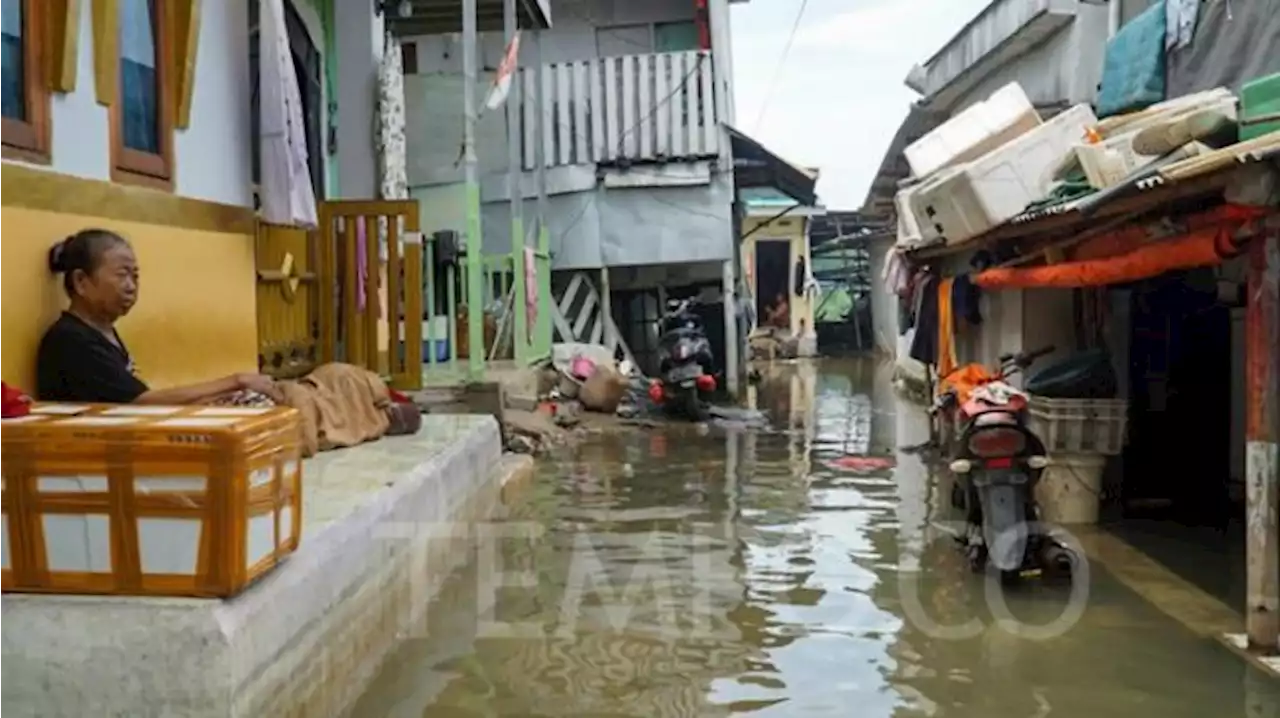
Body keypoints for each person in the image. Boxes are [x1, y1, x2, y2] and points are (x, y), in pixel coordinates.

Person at [37, 229, 283, 405]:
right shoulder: (71, 341)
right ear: (81, 281)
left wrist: (223, 394)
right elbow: (142, 401)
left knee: (262, 400)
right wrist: (237, 381)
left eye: (135, 276)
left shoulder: (102, 330)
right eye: (122, 275)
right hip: (97, 455)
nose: (131, 286)